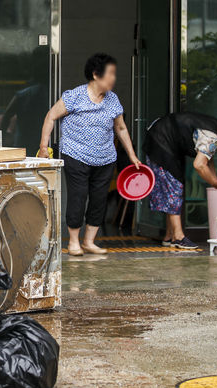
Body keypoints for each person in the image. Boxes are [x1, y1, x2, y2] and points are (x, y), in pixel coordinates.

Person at [38, 53, 140, 256]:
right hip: (76, 154)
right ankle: (74, 242)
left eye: (114, 74)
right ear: (95, 74)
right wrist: (43, 146)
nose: (113, 78)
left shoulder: (113, 100)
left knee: (99, 199)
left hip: (105, 158)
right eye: (110, 73)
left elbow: (120, 128)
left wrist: (132, 155)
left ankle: (89, 241)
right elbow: (51, 116)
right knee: (78, 197)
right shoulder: (74, 96)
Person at [143, 112, 217, 249]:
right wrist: (215, 183)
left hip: (160, 138)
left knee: (173, 187)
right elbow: (199, 165)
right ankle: (178, 237)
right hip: (161, 141)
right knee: (174, 188)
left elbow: (208, 159)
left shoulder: (214, 128)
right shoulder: (211, 136)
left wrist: (215, 182)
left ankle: (169, 236)